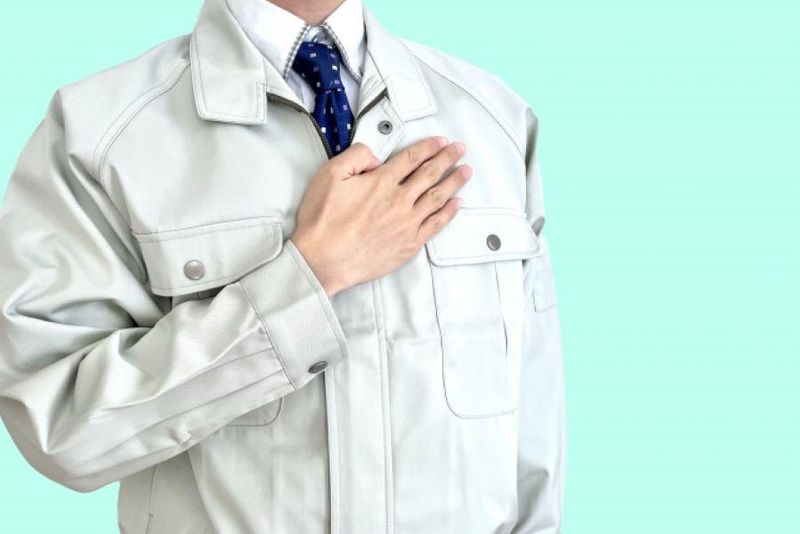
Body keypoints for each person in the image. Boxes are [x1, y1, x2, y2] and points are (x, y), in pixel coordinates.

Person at [0, 0, 566, 532]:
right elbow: (61, 430)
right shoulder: (99, 136)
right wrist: (308, 279)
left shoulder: (494, 119)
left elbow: (532, 444)